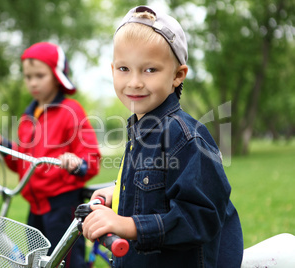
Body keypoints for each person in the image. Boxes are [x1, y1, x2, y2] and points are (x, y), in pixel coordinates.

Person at [82, 5, 243, 267]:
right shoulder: (141, 128)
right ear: (112, 69)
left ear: (177, 75)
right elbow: (157, 185)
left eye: (150, 70)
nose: (134, 82)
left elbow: (200, 218)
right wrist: (118, 191)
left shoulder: (185, 136)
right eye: (124, 69)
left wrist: (128, 225)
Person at [0, 42, 101, 267]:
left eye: (39, 75)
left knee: (66, 263)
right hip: (35, 207)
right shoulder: (29, 116)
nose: (33, 82)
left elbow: (91, 158)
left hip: (62, 207)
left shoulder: (70, 111)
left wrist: (76, 163)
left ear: (56, 76)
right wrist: (2, 143)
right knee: (37, 262)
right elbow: (22, 163)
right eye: (28, 77)